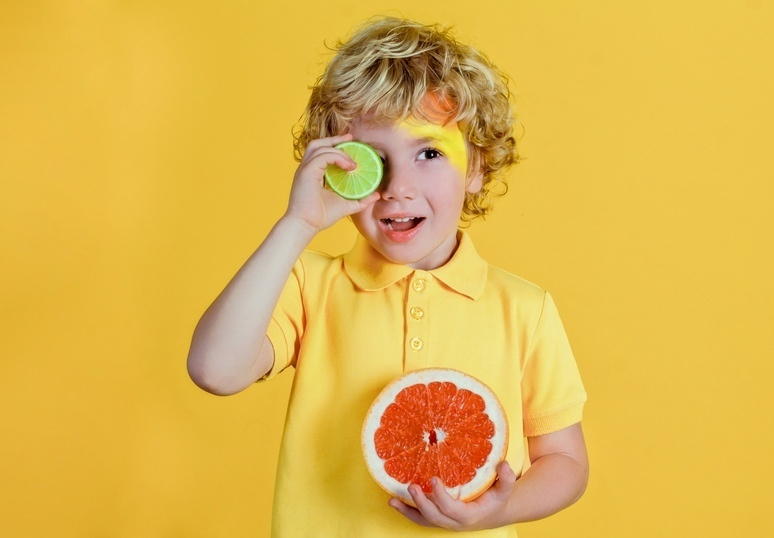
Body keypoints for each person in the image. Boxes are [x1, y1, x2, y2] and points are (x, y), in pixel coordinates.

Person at [187, 16, 588, 536]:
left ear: (475, 168)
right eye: (373, 159)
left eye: (429, 153)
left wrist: (499, 510)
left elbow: (565, 461)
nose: (398, 186)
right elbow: (215, 371)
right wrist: (297, 225)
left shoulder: (525, 309)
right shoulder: (310, 285)